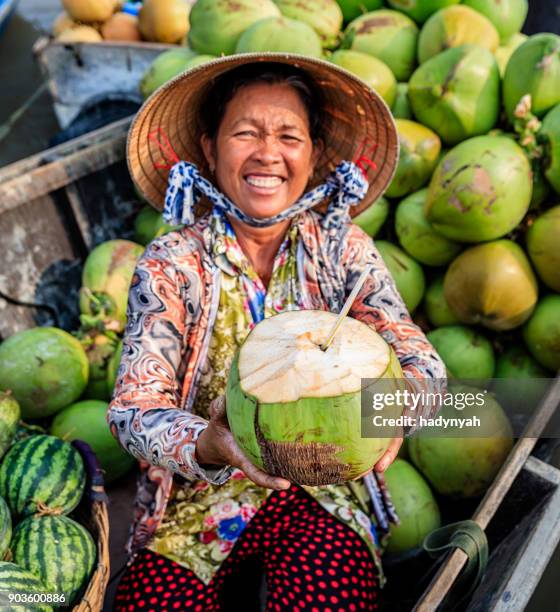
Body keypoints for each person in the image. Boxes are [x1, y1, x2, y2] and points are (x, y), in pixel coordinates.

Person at [109, 53, 445, 612]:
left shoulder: (343, 249)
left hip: (326, 485)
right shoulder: (171, 262)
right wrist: (207, 443)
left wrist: (398, 408)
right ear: (211, 150)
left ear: (313, 156)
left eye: (289, 136)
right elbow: (132, 410)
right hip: (199, 497)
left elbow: (422, 363)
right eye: (245, 133)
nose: (268, 152)